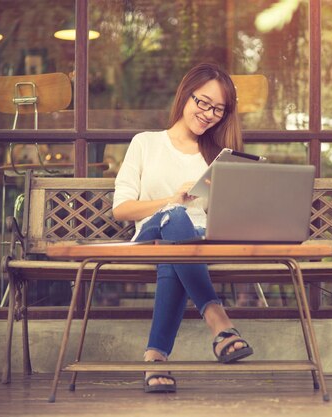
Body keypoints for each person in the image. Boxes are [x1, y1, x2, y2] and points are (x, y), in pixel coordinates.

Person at [112, 63, 253, 394]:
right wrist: (169, 199)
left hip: (197, 244)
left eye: (218, 110)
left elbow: (228, 215)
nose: (208, 114)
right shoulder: (146, 143)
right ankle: (217, 320)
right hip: (150, 235)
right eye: (203, 102)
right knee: (175, 216)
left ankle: (155, 357)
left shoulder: (216, 157)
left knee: (175, 254)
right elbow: (121, 209)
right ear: (185, 95)